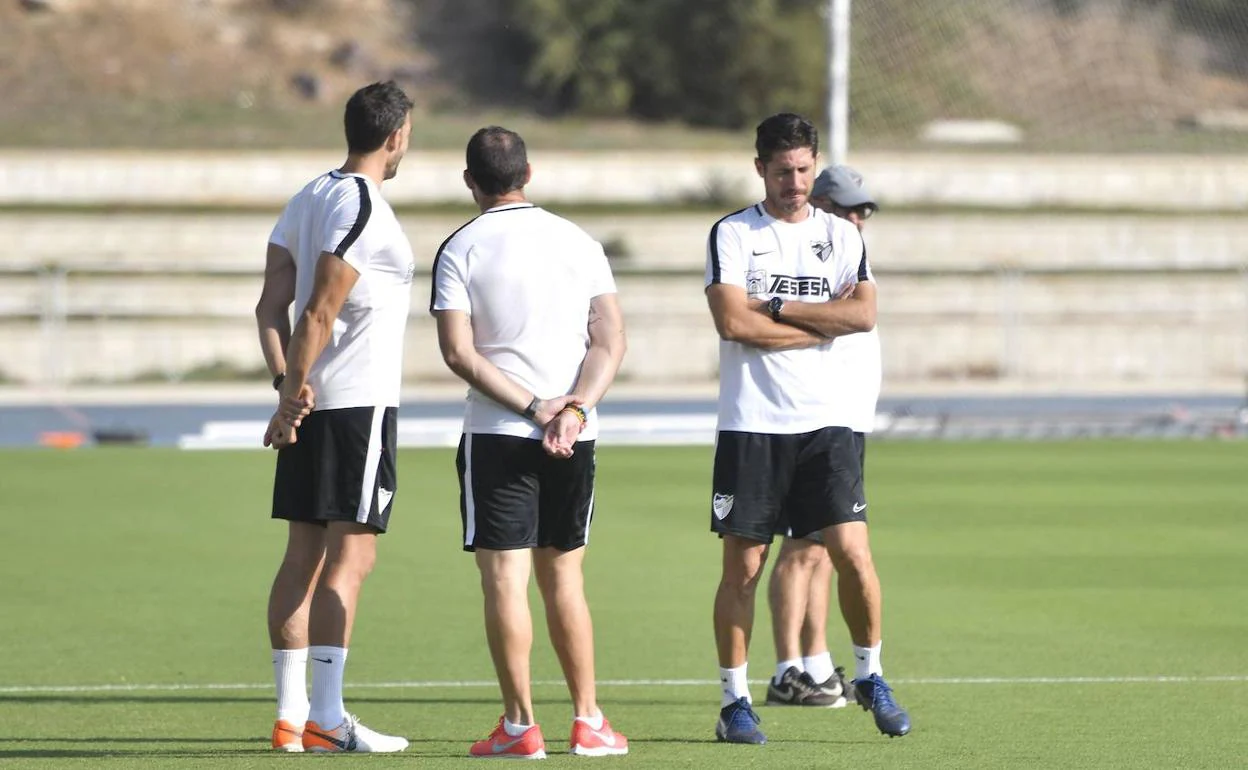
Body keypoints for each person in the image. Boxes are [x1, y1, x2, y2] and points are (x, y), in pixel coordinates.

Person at [704, 113, 910, 744]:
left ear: (814, 165)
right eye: (781, 169)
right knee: (744, 570)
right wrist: (821, 323)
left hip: (828, 425)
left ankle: (871, 674)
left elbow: (865, 314)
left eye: (803, 169)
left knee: (852, 554)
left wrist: (777, 308)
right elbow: (733, 324)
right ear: (759, 167)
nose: (793, 182)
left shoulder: (843, 236)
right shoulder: (734, 233)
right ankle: (735, 700)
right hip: (753, 426)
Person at [431, 126, 630, 759]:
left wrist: (534, 406)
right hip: (575, 437)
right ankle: (589, 722)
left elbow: (458, 353)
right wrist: (574, 407)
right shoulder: (579, 241)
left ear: (470, 181)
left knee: (505, 583)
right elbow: (609, 341)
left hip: (498, 434)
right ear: (529, 173)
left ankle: (520, 728)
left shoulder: (459, 248)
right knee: (565, 580)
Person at [254, 80, 415, 754]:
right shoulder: (362, 204)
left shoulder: (308, 195)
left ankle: (292, 719)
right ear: (397, 135)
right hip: (355, 407)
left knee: (302, 559)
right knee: (351, 560)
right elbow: (318, 307)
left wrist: (286, 388)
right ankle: (324, 715)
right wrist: (293, 392)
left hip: (317, 405)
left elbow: (270, 308)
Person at [765, 165, 881, 710]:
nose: (858, 218)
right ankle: (789, 666)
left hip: (845, 419)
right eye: (849, 208)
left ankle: (813, 662)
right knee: (801, 545)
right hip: (809, 418)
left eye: (864, 210)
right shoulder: (804, 260)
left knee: (822, 549)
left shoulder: (849, 259)